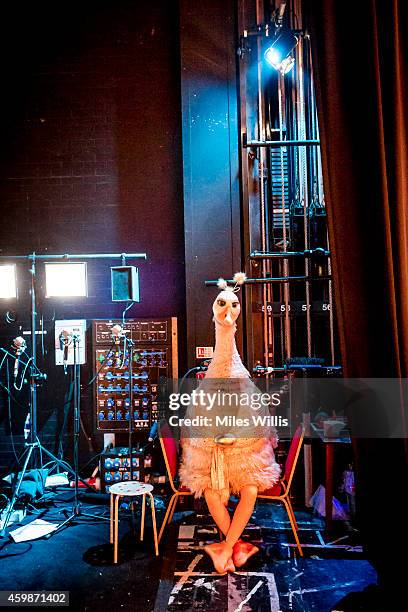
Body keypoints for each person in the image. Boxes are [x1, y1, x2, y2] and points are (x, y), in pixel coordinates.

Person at [179, 273, 280, 574]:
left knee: (249, 490)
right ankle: (236, 547)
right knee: (210, 491)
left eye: (233, 305)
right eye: (222, 304)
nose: (227, 311)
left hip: (243, 458)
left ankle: (225, 548)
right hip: (214, 459)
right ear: (214, 308)